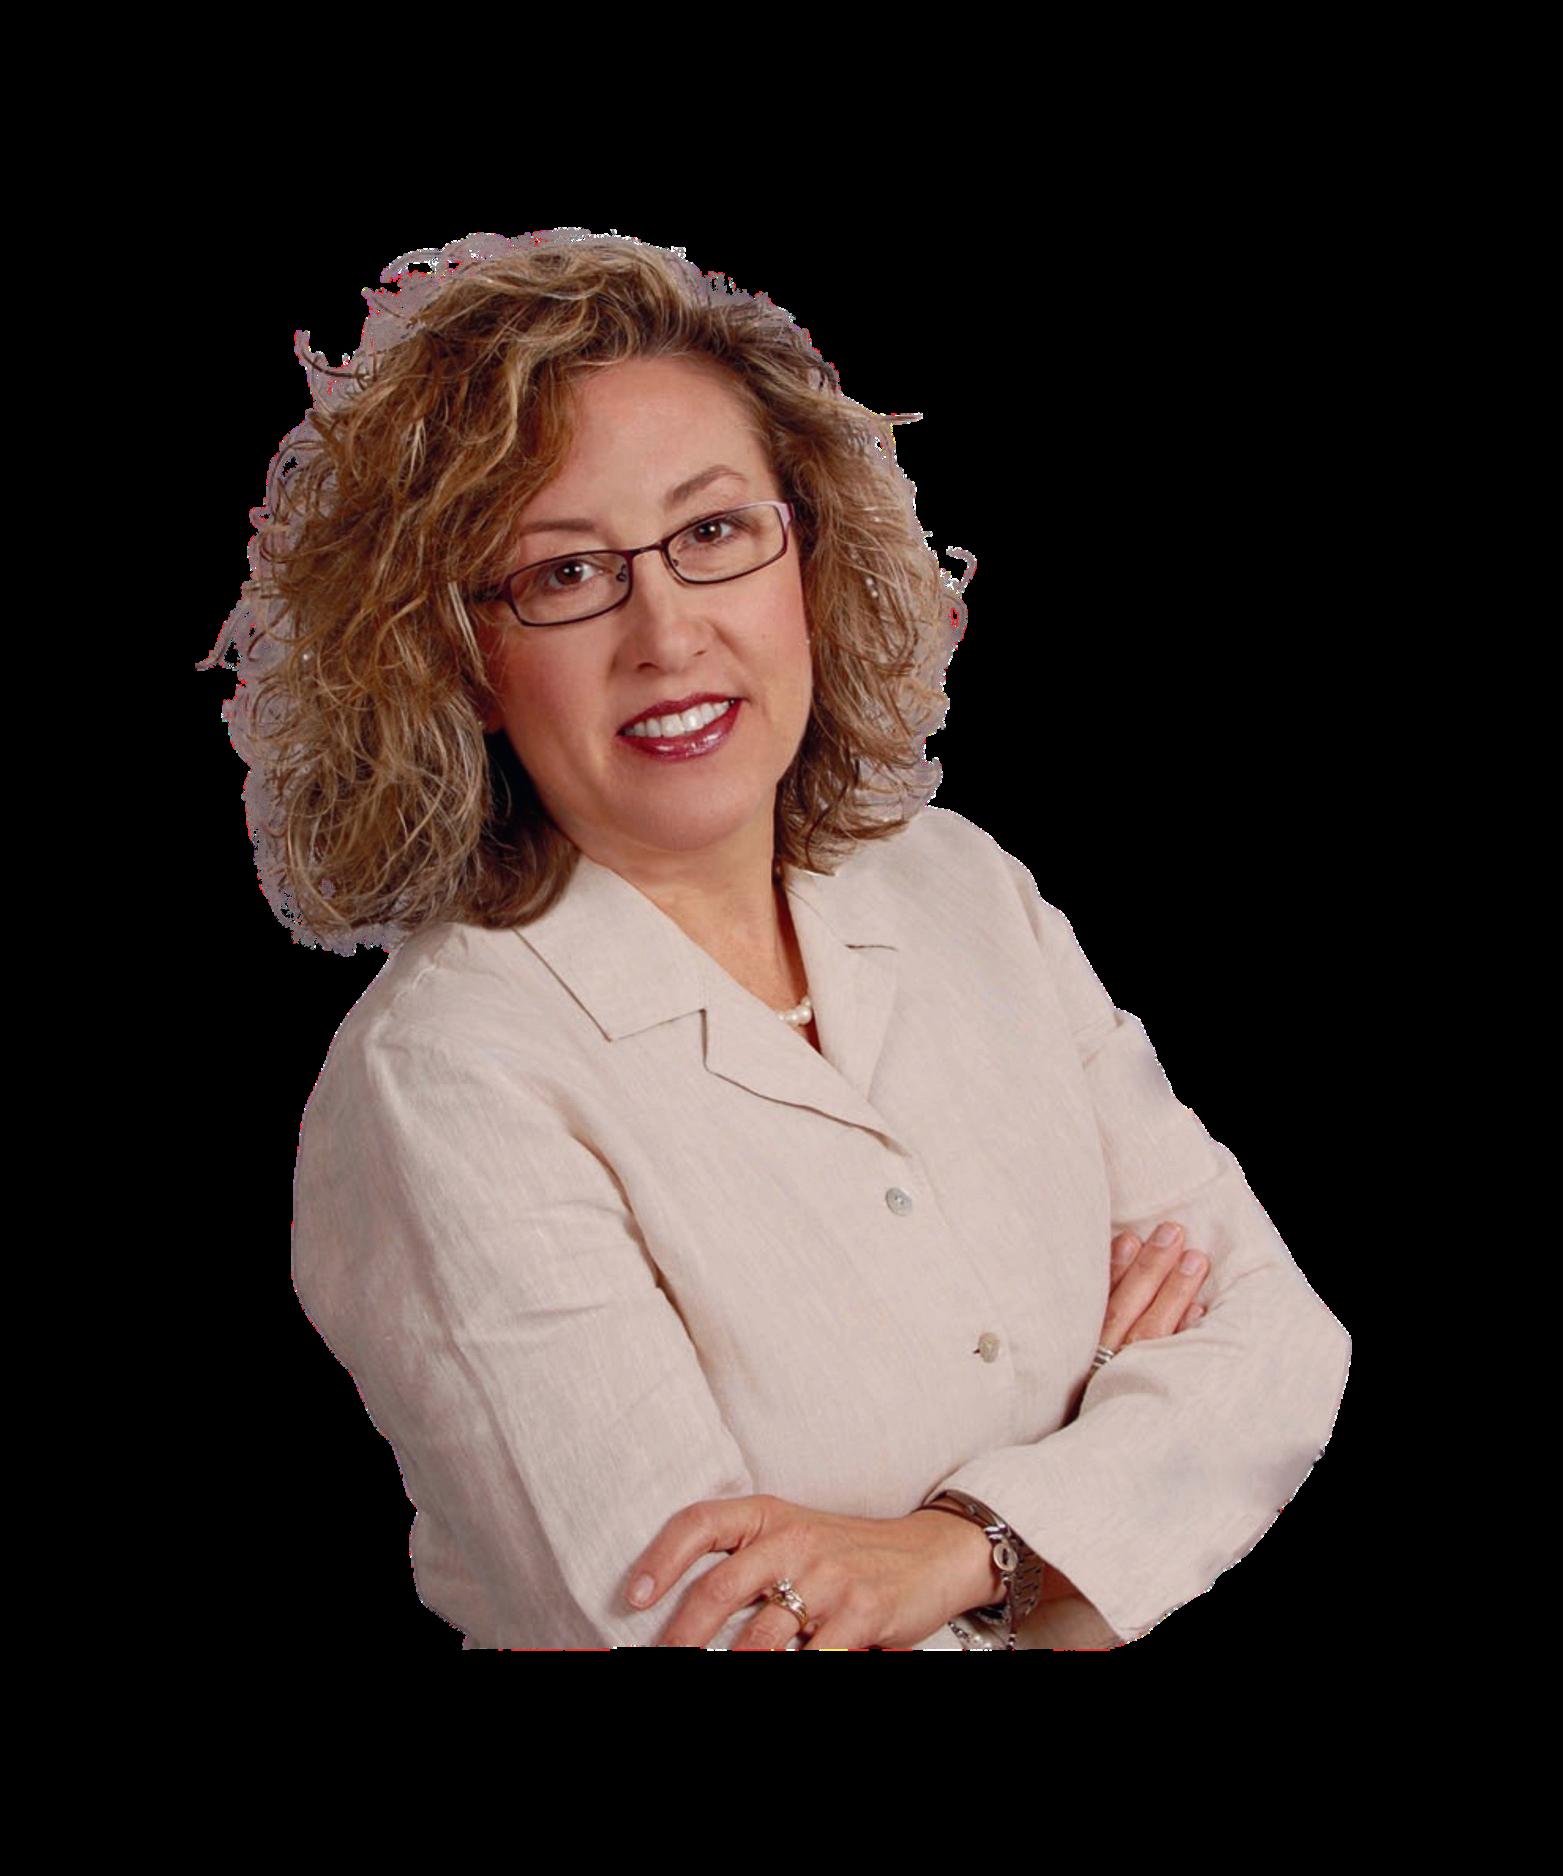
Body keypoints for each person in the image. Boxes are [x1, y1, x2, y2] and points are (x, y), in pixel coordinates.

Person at [199, 229, 1350, 1650]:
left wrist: (960, 1553)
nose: (667, 634)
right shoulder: (445, 1079)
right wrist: (1105, 1481)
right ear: (458, 658)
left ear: (806, 551)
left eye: (712, 533)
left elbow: (1279, 1345)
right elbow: (700, 1631)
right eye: (565, 573)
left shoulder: (957, 886)